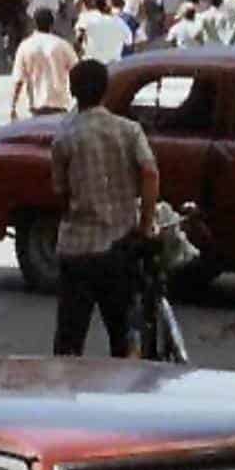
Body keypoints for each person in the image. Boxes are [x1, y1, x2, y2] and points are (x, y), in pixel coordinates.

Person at [50, 60, 159, 357]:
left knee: (70, 339)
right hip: (120, 246)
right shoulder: (129, 130)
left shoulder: (65, 137)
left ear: (72, 91)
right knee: (122, 336)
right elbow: (150, 172)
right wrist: (145, 224)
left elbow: (60, 193)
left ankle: (67, 393)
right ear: (105, 89)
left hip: (77, 250)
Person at [11, 8, 79, 120]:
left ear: (34, 24)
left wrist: (13, 106)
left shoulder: (25, 46)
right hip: (59, 104)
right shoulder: (62, 45)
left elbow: (18, 80)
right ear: (52, 24)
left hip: (35, 107)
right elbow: (77, 71)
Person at [74, 0, 133, 65]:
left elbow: (78, 42)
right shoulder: (120, 23)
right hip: (112, 65)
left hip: (91, 63)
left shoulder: (86, 17)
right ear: (110, 5)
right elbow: (129, 43)